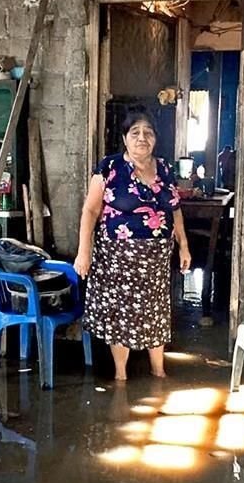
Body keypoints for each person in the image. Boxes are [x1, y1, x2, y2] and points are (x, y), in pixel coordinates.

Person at [74, 110, 192, 381]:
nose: (142, 138)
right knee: (121, 314)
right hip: (118, 258)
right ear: (125, 138)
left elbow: (175, 210)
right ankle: (121, 374)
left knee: (157, 311)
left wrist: (183, 245)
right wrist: (84, 252)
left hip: (156, 259)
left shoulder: (163, 168)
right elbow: (90, 211)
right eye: (135, 132)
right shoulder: (109, 167)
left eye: (148, 132)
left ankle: (158, 369)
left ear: (155, 139)